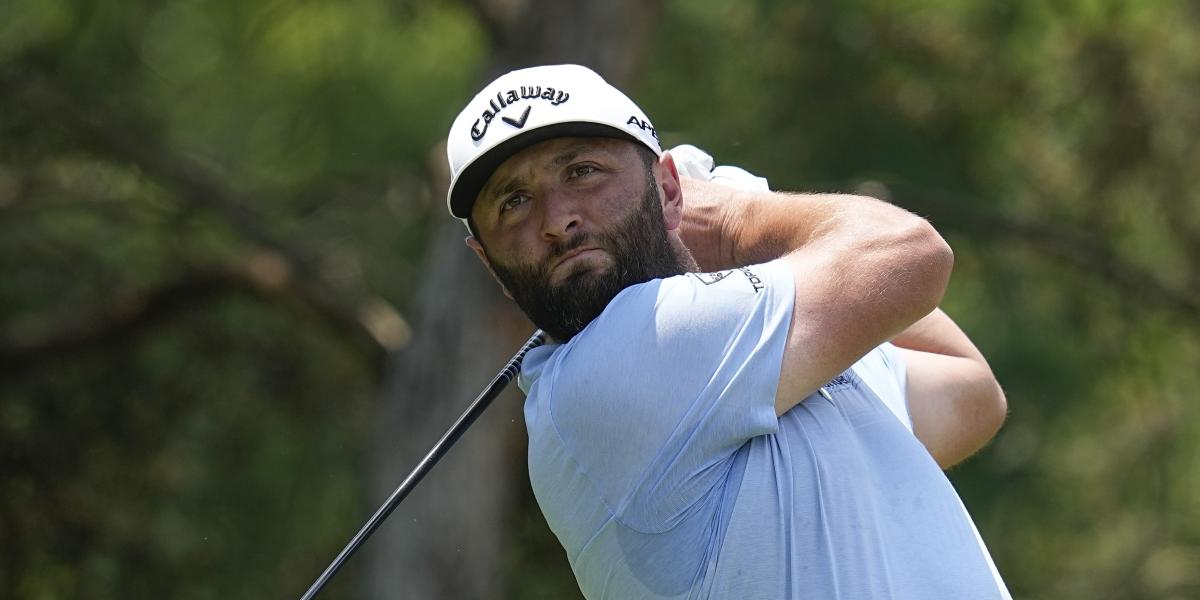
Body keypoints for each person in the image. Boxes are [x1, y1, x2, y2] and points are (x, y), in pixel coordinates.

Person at [445, 64, 1011, 599]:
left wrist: (759, 244)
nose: (556, 219)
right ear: (490, 264)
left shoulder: (768, 348)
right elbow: (910, 254)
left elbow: (972, 389)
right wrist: (737, 219)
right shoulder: (611, 369)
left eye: (582, 172)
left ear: (668, 191)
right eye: (514, 202)